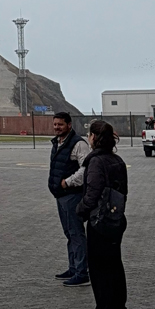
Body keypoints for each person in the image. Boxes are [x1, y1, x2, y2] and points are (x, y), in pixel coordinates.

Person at [64, 120, 130, 309]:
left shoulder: (96, 162)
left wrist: (80, 211)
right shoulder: (117, 160)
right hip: (116, 218)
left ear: (94, 137)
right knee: (115, 266)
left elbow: (92, 194)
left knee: (100, 270)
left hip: (99, 221)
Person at [46, 112, 91, 286]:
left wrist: (68, 183)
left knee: (76, 233)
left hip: (72, 195)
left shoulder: (78, 144)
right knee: (69, 233)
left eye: (60, 125)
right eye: (55, 124)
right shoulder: (58, 142)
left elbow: (86, 169)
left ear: (69, 125)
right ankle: (73, 267)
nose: (57, 127)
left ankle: (82, 273)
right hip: (61, 196)